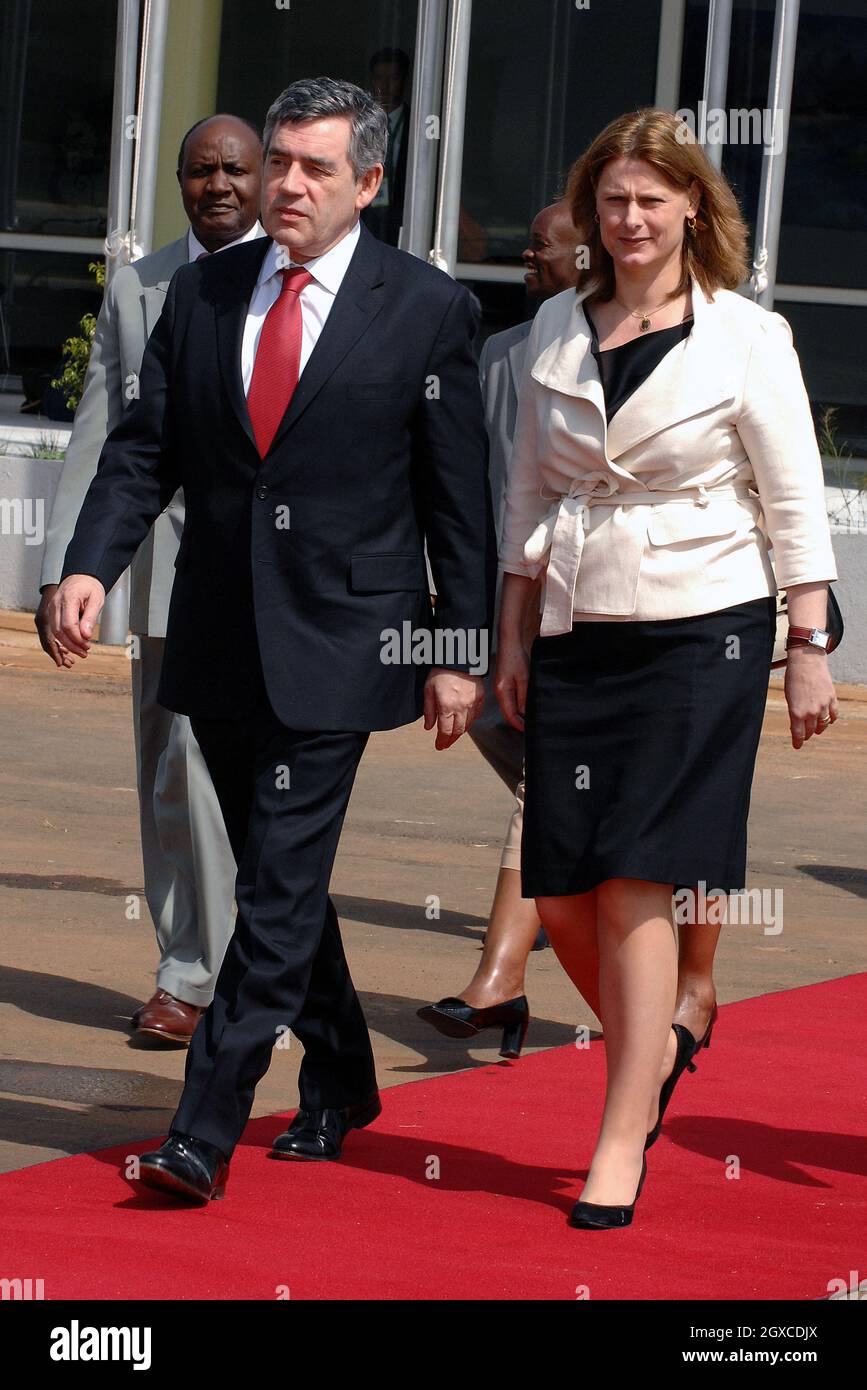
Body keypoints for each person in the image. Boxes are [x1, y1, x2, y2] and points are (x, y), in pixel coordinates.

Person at [48, 76, 495, 1205]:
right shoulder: (205, 294)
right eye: (281, 162)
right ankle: (342, 1076)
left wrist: (461, 645)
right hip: (217, 631)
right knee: (275, 877)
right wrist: (90, 564)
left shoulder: (427, 308)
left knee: (278, 890)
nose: (286, 184)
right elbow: (146, 449)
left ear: (370, 184)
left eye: (314, 168)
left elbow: (459, 503)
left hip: (349, 641)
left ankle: (202, 1127)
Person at [495, 108, 838, 1229]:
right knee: (559, 883)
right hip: (578, 621)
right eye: (612, 200)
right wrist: (509, 635)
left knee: (639, 872)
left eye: (652, 198)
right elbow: (531, 495)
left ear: (695, 205)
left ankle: (617, 1137)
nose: (630, 218)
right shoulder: (553, 324)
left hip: (708, 625)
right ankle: (665, 1046)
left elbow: (793, 498)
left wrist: (808, 645)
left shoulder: (750, 336)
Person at [36, 115, 265, 1045]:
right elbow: (102, 437)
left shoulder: (300, 278)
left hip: (285, 578)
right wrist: (69, 570)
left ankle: (257, 965)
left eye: (233, 168)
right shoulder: (140, 287)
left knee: (268, 785)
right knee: (174, 774)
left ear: (265, 176)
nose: (216, 184)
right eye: (198, 171)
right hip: (172, 575)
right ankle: (188, 972)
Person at [418, 200, 579, 1057]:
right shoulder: (497, 355)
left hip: (615, 615)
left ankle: (499, 981)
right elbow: (471, 492)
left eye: (542, 244)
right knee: (553, 777)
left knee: (555, 782)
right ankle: (515, 970)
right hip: (512, 611)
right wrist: (464, 624)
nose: (526, 252)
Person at [362, 46, 411, 246]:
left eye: (394, 79)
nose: (386, 86)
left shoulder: (418, 125)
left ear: (404, 81)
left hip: (404, 224)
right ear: (371, 80)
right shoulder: (358, 125)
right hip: (363, 220)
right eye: (379, 78)